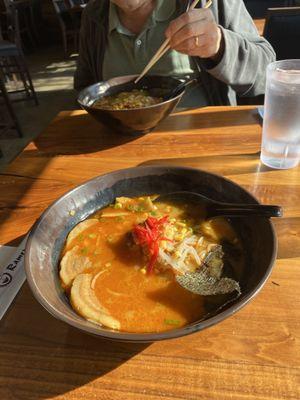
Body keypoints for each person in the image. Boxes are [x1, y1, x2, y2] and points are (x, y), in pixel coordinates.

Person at [74, 0, 275, 107]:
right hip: (118, 147)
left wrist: (220, 46)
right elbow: (85, 89)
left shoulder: (208, 2)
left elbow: (266, 74)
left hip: (201, 143)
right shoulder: (94, 15)